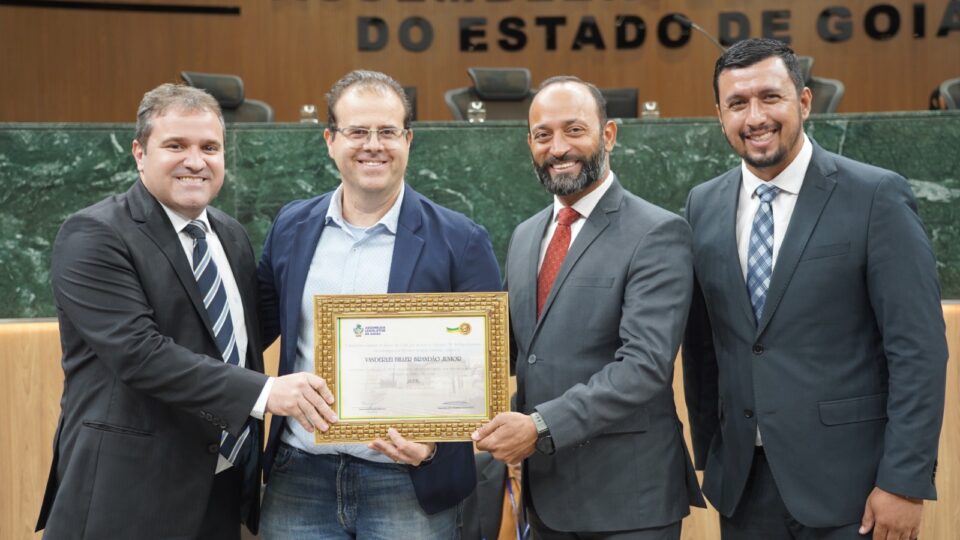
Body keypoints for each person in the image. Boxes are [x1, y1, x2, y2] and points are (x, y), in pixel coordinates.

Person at [35, 83, 334, 539]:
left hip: (219, 484)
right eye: (176, 145)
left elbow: (244, 331)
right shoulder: (93, 234)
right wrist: (264, 393)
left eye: (210, 147)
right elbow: (139, 352)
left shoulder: (229, 234)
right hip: (129, 492)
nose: (196, 161)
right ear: (139, 153)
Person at [683, 38, 948, 539]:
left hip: (855, 491)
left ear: (803, 102)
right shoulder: (703, 204)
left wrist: (905, 481)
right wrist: (712, 451)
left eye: (770, 97)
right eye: (737, 103)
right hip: (743, 487)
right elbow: (703, 344)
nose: (755, 116)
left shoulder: (875, 196)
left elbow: (918, 350)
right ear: (720, 115)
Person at [256, 70, 502, 539]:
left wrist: (433, 447)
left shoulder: (461, 240)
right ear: (330, 140)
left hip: (408, 483)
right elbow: (252, 330)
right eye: (357, 131)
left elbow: (487, 366)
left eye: (388, 131)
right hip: (299, 476)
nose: (374, 144)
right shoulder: (291, 226)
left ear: (408, 140)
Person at [473, 75, 704, 540]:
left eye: (574, 130)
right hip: (548, 500)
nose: (558, 147)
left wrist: (539, 426)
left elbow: (643, 367)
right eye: (543, 135)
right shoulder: (524, 236)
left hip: (628, 501)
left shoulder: (657, 233)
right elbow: (506, 350)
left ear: (610, 135)